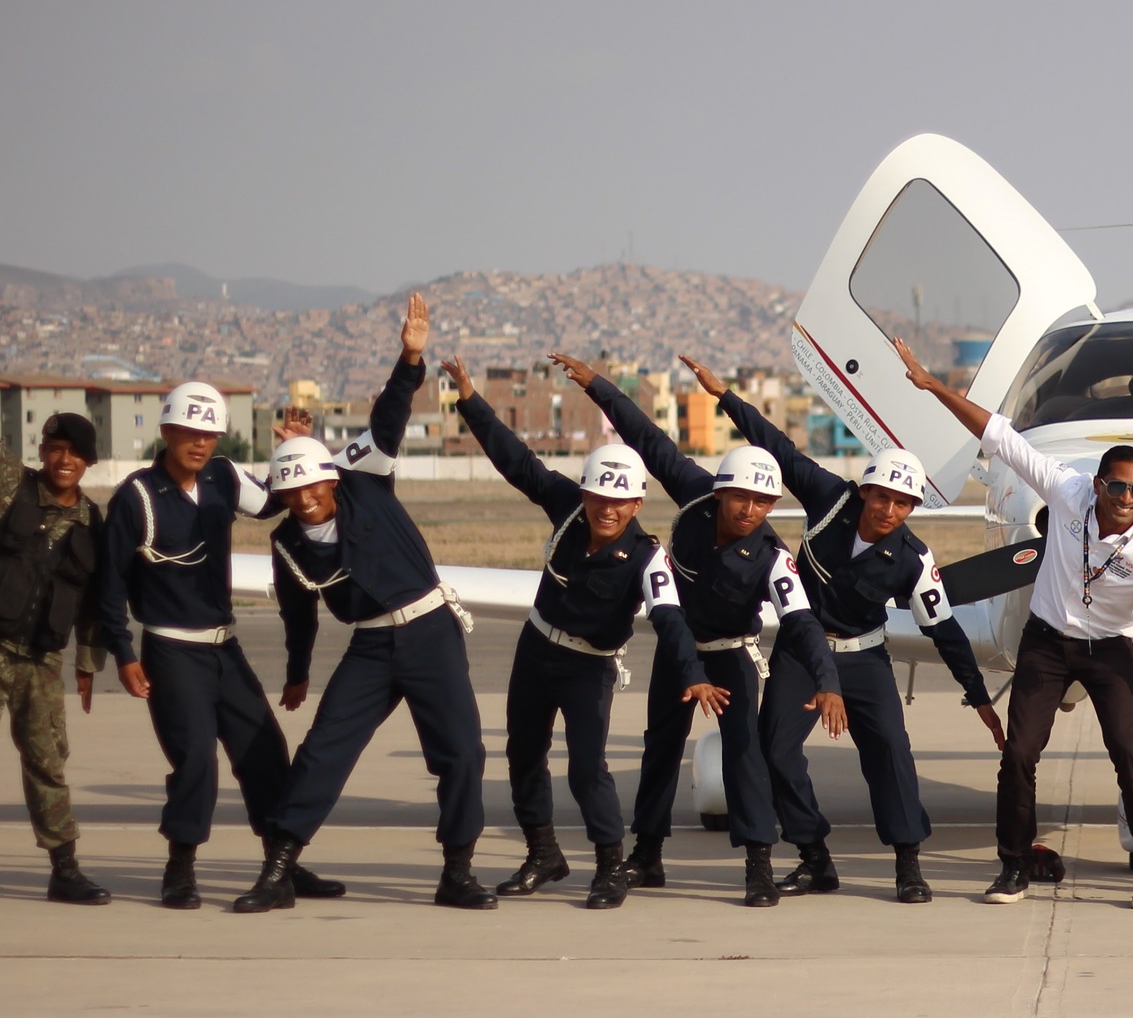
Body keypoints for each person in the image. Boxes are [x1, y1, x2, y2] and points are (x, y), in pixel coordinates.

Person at [897, 338, 1133, 909]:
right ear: (1096, 484)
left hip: (1109, 651)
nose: (1126, 497)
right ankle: (1014, 865)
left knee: (1129, 753)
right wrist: (932, 385)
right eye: (1116, 485)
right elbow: (1000, 436)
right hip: (1045, 643)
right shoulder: (1066, 491)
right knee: (1019, 754)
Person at [695, 356, 1004, 902]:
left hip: (864, 658)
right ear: (864, 491)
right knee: (776, 750)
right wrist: (725, 397)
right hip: (800, 649)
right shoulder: (828, 497)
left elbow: (945, 630)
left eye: (902, 502)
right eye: (881, 495)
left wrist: (977, 694)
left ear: (911, 508)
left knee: (889, 751)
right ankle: (814, 856)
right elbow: (780, 450)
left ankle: (908, 864)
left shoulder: (912, 558)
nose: (888, 508)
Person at [555, 354, 849, 906]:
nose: (751, 509)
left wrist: (826, 680)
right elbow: (649, 440)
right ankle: (647, 854)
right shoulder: (692, 497)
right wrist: (598, 385)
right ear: (719, 492)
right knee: (659, 747)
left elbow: (803, 622)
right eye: (742, 496)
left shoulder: (772, 557)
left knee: (745, 753)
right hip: (678, 647)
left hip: (732, 655)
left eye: (764, 502)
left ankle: (758, 862)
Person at [244, 294, 494, 911]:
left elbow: (388, 420)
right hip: (372, 646)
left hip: (430, 629)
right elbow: (296, 612)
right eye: (292, 488)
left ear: (331, 477)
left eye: (312, 484)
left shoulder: (366, 481)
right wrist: (299, 672)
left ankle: (457, 871)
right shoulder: (287, 544)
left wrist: (411, 358)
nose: (305, 498)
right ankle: (278, 869)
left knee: (462, 753)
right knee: (323, 751)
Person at [449, 358, 722, 910]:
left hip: (587, 665)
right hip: (536, 649)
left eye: (620, 501)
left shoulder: (648, 558)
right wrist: (471, 399)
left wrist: (692, 674)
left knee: (585, 768)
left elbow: (669, 617)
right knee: (523, 755)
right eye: (599, 497)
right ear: (586, 494)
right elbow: (516, 462)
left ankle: (608, 866)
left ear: (637, 504)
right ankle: (543, 852)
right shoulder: (569, 510)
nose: (607, 509)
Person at [100, 379, 344, 910]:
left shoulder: (225, 475)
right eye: (189, 432)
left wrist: (291, 454)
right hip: (169, 649)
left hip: (224, 648)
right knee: (196, 763)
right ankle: (180, 868)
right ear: (166, 431)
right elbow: (110, 584)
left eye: (210, 433)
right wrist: (122, 653)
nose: (200, 443)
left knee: (265, 751)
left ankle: (282, 864)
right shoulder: (136, 497)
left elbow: (277, 505)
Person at [0, 398, 108, 912]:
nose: (64, 460)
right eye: (55, 449)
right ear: (42, 451)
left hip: (40, 661)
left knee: (48, 760)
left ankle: (65, 869)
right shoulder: (4, 482)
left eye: (75, 453)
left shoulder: (92, 523)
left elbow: (93, 601)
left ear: (89, 461)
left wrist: (87, 662)